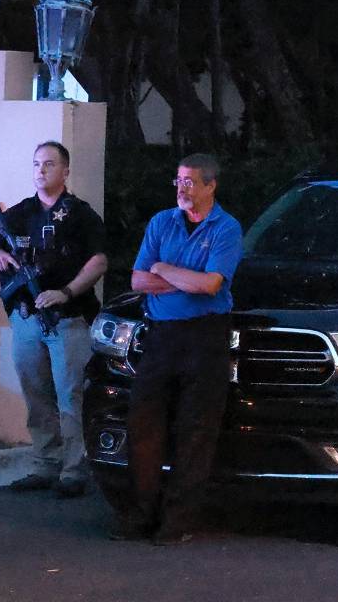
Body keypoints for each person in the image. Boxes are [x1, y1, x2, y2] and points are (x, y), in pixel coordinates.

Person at [112, 153, 243, 545]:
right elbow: (137, 280)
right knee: (144, 422)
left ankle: (178, 520)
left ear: (210, 185)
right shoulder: (161, 222)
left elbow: (210, 285)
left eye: (189, 182)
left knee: (195, 428)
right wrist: (185, 280)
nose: (182, 188)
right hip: (162, 335)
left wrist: (163, 269)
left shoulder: (226, 228)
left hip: (205, 336)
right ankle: (141, 514)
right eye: (179, 181)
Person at [0, 141, 107, 498]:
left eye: (49, 164)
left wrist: (66, 292)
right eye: (37, 164)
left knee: (70, 396)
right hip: (26, 319)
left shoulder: (80, 215)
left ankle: (73, 470)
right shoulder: (20, 213)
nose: (41, 170)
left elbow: (98, 262)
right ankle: (45, 464)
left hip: (67, 318)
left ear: (65, 171)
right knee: (36, 394)